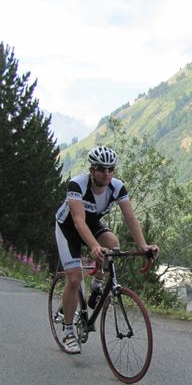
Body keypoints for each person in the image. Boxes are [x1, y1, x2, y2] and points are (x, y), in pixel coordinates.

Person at [54, 146, 159, 353]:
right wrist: (93, 246)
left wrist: (143, 245)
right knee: (74, 279)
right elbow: (77, 220)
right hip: (68, 227)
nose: (107, 173)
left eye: (111, 169)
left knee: (113, 245)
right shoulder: (78, 184)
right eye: (102, 169)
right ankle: (68, 331)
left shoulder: (117, 187)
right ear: (92, 170)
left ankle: (98, 281)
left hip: (92, 224)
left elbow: (130, 218)